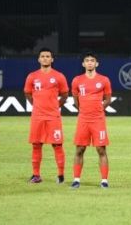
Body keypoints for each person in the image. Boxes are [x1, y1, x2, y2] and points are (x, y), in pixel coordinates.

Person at [24, 48, 69, 184]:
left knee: (57, 145)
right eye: (42, 56)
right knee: (36, 145)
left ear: (52, 59)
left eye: (47, 56)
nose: (45, 58)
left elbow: (65, 94)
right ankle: (36, 175)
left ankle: (61, 176)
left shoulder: (59, 76)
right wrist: (36, 105)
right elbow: (27, 93)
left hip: (53, 117)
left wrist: (56, 106)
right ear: (38, 59)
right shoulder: (32, 76)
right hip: (37, 116)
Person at [70, 52, 112, 189]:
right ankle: (76, 180)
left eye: (92, 60)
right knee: (80, 149)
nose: (89, 63)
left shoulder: (104, 80)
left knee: (101, 150)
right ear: (83, 64)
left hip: (98, 120)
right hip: (83, 119)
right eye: (87, 60)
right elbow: (76, 100)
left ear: (96, 63)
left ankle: (104, 181)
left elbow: (108, 99)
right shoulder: (77, 80)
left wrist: (99, 108)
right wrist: (83, 110)